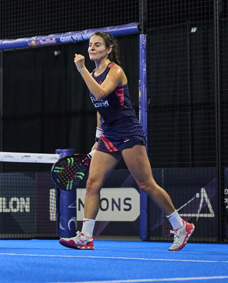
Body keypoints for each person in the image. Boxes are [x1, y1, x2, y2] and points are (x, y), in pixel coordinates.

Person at [59, 31, 194, 251]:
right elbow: (99, 107)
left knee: (145, 184)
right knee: (92, 184)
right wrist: (97, 136)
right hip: (109, 134)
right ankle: (86, 236)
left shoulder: (116, 71)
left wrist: (81, 69)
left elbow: (101, 94)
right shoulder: (94, 72)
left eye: (97, 45)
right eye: (90, 45)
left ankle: (181, 226)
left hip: (128, 132)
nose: (92, 48)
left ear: (109, 49)